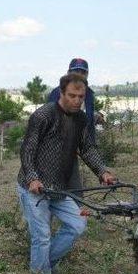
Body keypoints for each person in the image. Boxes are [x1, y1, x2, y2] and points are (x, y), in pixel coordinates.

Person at [17, 73, 117, 274]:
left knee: (78, 224)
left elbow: (87, 148)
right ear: (61, 93)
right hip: (34, 188)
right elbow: (27, 151)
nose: (77, 100)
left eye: (81, 96)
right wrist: (33, 178)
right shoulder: (43, 115)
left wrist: (102, 171)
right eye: (72, 95)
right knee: (42, 235)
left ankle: (43, 264)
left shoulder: (81, 119)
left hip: (60, 188)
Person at [48, 58, 97, 191]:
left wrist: (90, 145)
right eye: (76, 71)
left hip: (75, 148)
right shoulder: (57, 93)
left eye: (83, 72)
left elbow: (88, 121)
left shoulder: (89, 94)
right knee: (53, 189)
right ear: (68, 73)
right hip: (55, 150)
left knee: (74, 190)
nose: (79, 74)